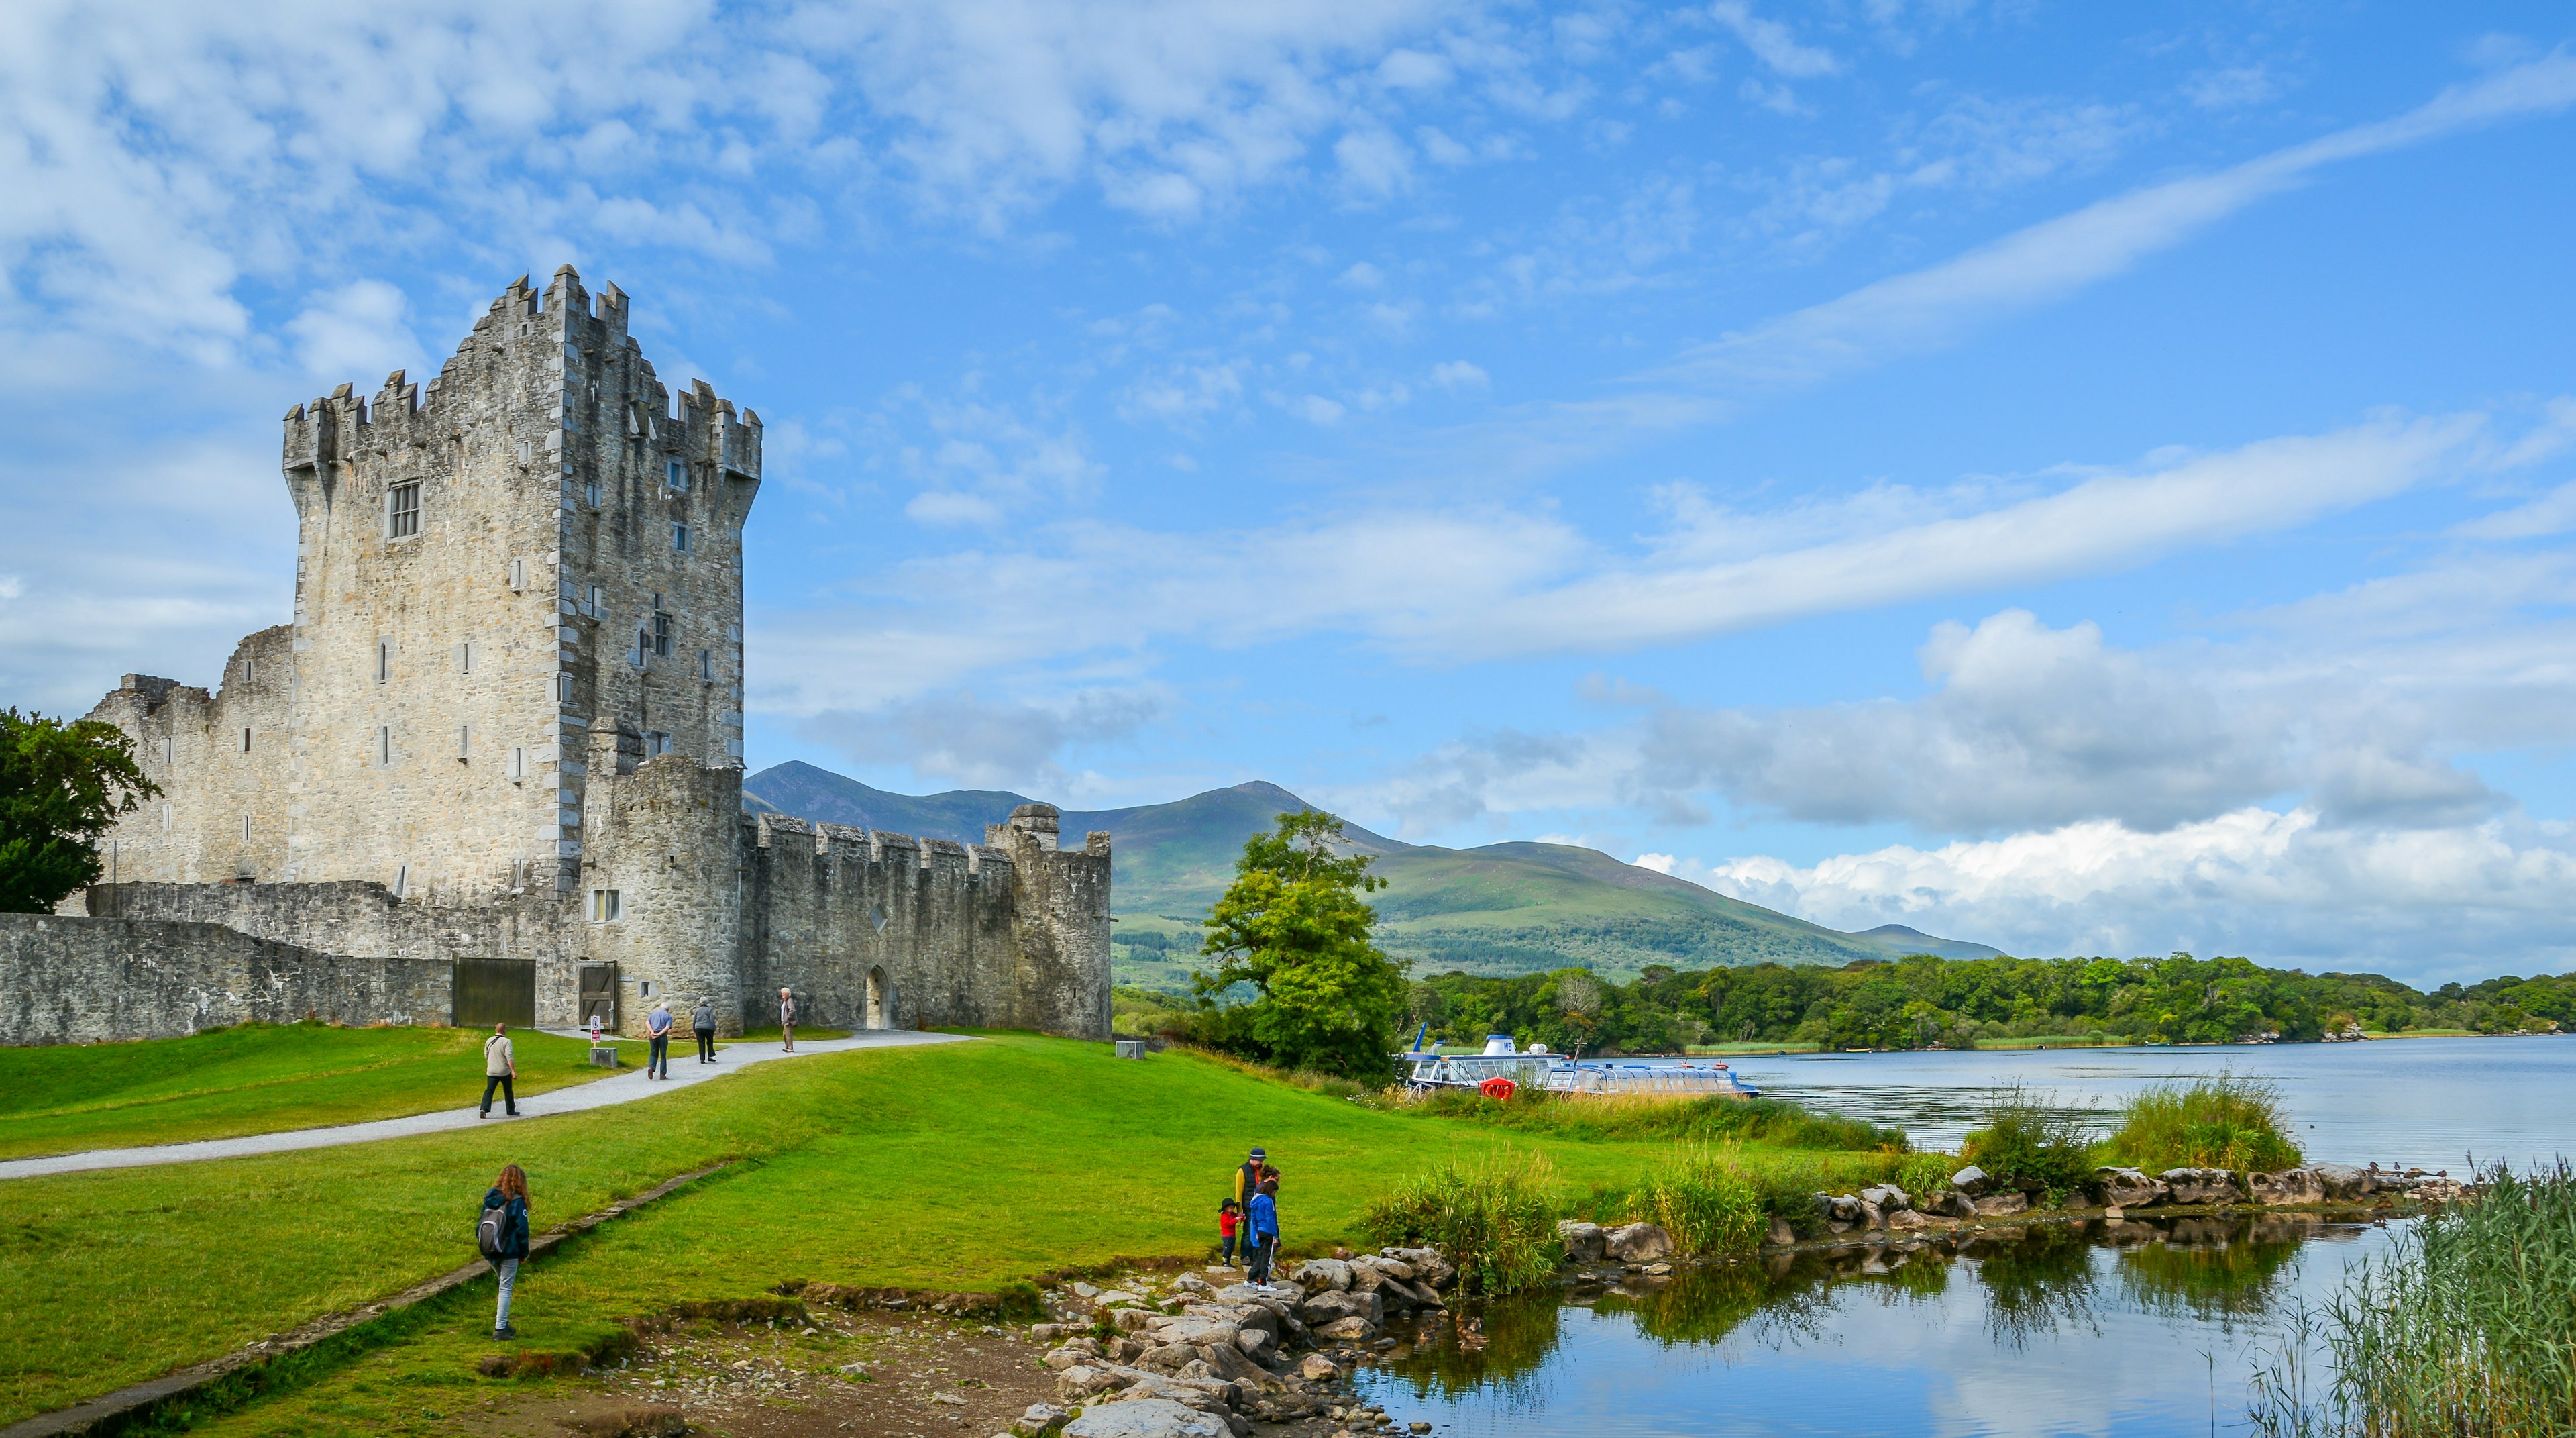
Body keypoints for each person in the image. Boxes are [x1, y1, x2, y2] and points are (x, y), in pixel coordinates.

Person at [481, 1164, 532, 1339]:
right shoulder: (517, 1202)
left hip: (490, 1249)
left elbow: (480, 1223)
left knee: (503, 1285)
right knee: (506, 1288)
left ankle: (504, 1323)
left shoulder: (491, 1198)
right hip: (509, 1251)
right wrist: (523, 1253)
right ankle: (500, 1329)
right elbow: (522, 1230)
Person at [479, 1023, 519, 1118]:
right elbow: (509, 1057)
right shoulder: (506, 1042)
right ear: (505, 1031)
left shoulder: (489, 1040)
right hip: (504, 1071)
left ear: (496, 1030)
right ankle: (510, 1110)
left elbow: (486, 1055)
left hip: (491, 1071)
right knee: (508, 1090)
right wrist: (513, 1070)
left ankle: (484, 1108)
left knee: (489, 1090)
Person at [1245, 1178, 1280, 1284]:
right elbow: (1270, 1219)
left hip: (1260, 1231)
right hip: (1268, 1232)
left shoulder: (1255, 1200)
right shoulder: (1268, 1201)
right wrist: (1275, 1235)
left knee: (1261, 1256)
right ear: (1271, 1191)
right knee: (1266, 1258)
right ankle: (1263, 1283)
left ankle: (1250, 1280)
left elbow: (1254, 1218)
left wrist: (1256, 1231)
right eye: (1274, 1192)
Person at [645, 999, 673, 1080]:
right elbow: (667, 1027)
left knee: (653, 1052)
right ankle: (662, 1074)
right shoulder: (668, 1016)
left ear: (661, 1007)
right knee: (663, 1055)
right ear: (668, 1009)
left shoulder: (654, 1013)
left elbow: (647, 1022)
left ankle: (651, 1067)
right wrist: (659, 1034)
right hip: (662, 1036)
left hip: (652, 1035)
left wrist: (652, 1031)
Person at [1233, 1146, 1267, 1211]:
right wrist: (1239, 1210)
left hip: (1262, 1205)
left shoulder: (1263, 1169)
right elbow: (1239, 1192)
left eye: (1262, 1160)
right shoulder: (1242, 1170)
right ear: (1253, 1159)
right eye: (1259, 1160)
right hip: (1249, 1206)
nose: (1261, 1163)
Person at [692, 997, 718, 1063]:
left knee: (701, 1043)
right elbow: (712, 1019)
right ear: (707, 1002)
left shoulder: (697, 1010)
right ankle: (710, 1056)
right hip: (708, 1028)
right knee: (710, 1042)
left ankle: (702, 1059)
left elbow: (694, 1020)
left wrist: (694, 1029)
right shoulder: (709, 1009)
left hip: (698, 1027)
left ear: (700, 1002)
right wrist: (714, 1028)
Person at [1217, 1199, 1242, 1266]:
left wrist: (1242, 1217)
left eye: (1233, 1208)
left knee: (1231, 1248)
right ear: (1225, 1208)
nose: (1232, 1209)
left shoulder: (1232, 1214)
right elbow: (1228, 1224)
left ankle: (1228, 1261)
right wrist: (1236, 1219)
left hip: (1232, 1235)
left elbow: (1237, 1216)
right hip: (1226, 1235)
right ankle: (1225, 1261)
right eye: (1230, 1208)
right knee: (1227, 1248)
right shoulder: (1224, 1216)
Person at [779, 987, 796, 1052]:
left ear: (787, 994)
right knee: (785, 1034)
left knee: (788, 1034)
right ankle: (787, 1047)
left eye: (783, 994)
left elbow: (792, 1010)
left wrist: (788, 1018)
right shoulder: (785, 1001)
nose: (782, 995)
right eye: (782, 993)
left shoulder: (789, 1000)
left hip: (788, 1021)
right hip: (785, 1021)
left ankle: (790, 1048)